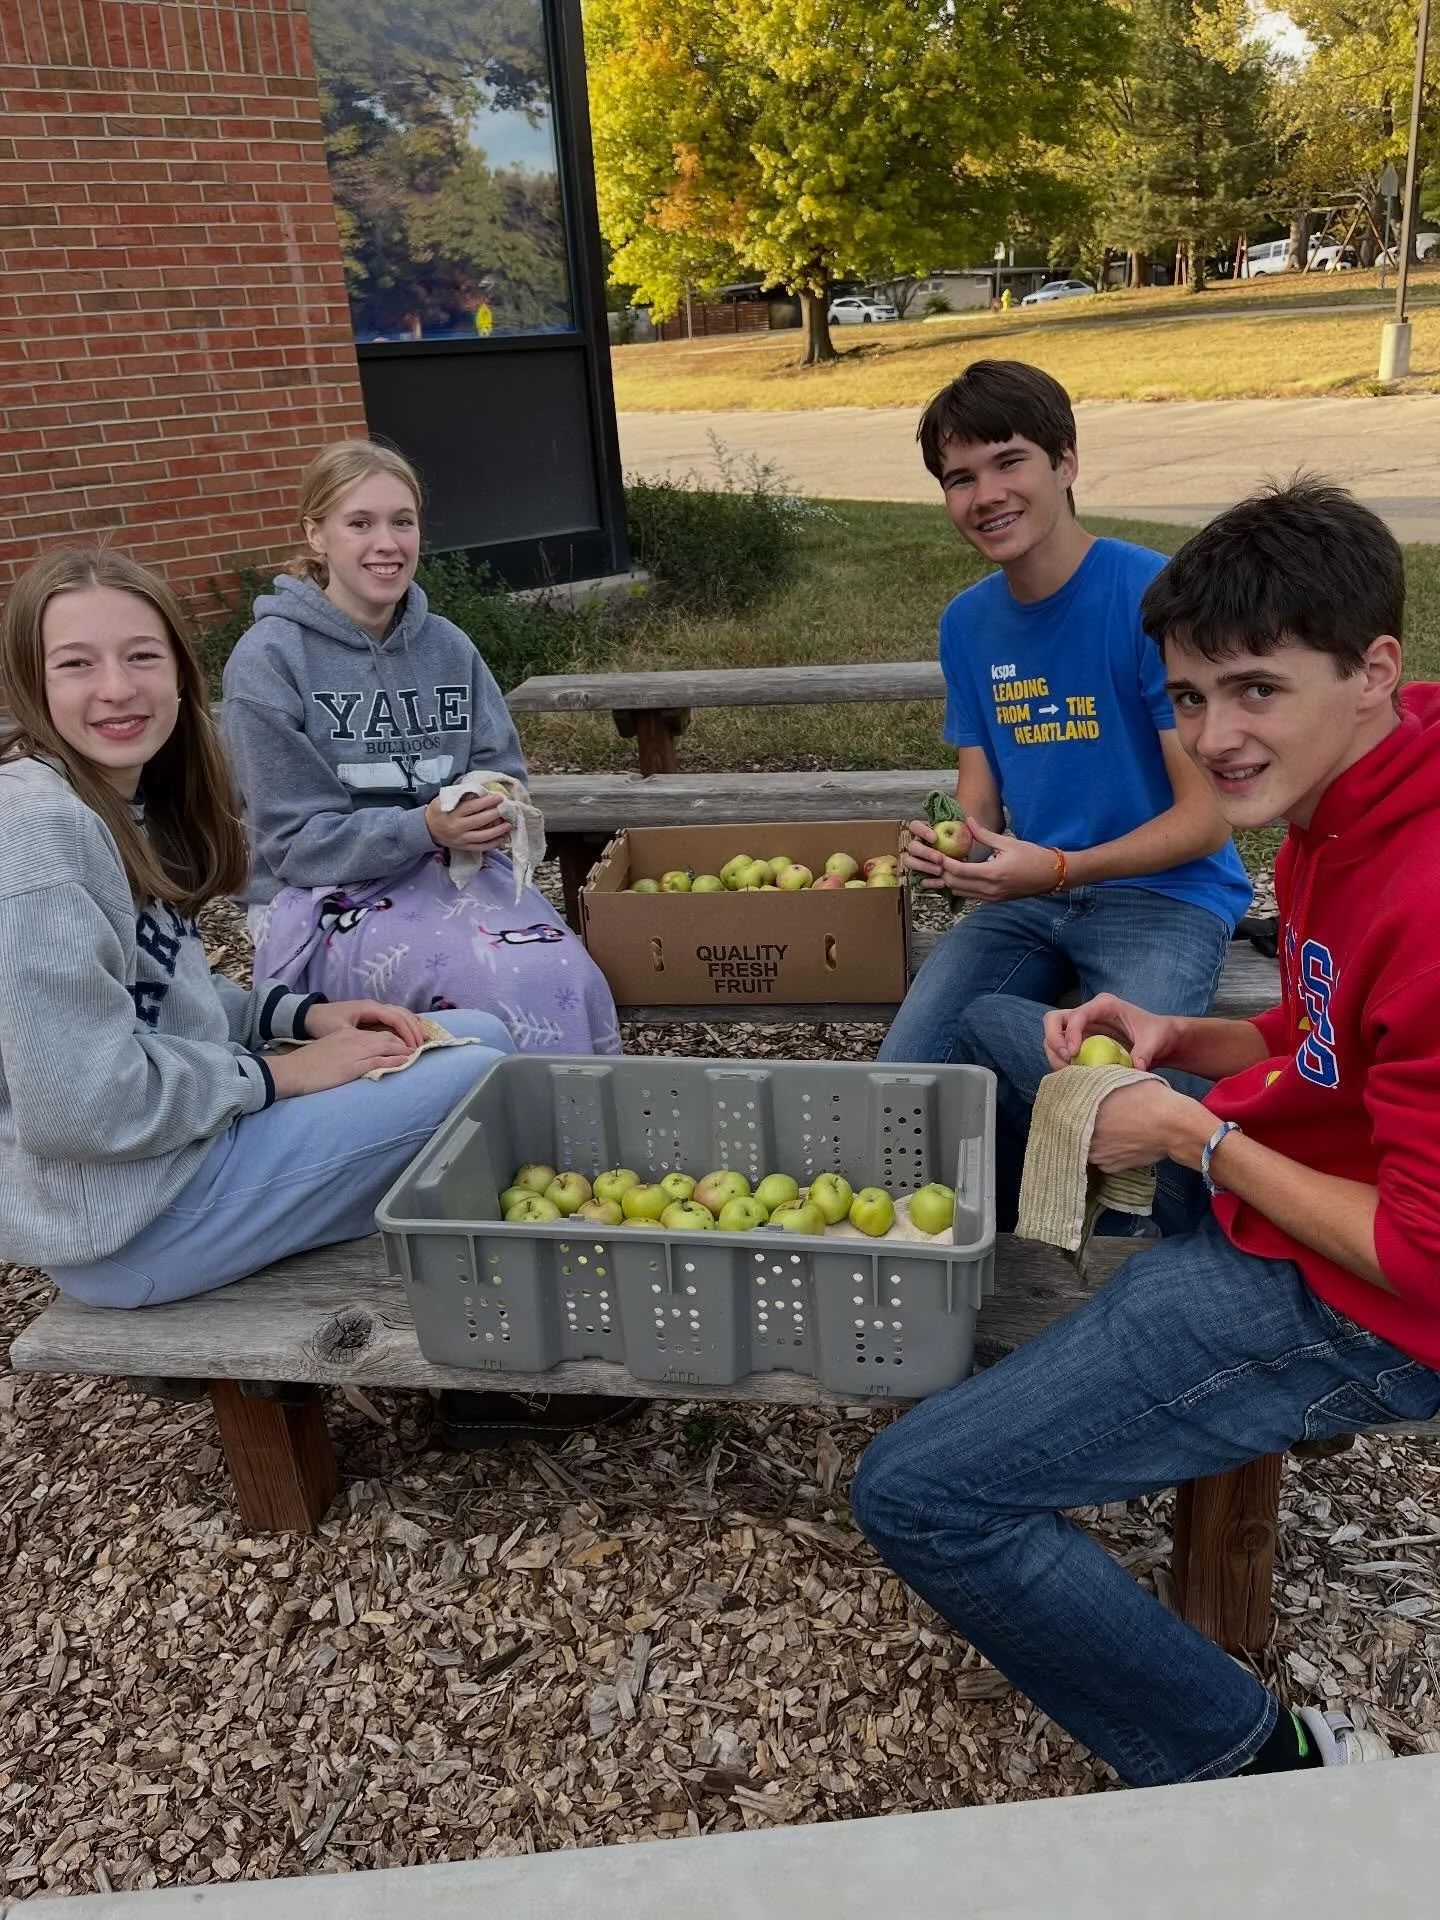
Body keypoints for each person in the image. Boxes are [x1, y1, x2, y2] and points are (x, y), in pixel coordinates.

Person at [852, 480, 1440, 1784]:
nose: (1216, 734)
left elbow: (1423, 1255)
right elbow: (1329, 1038)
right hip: (1293, 1184)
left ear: (1372, 668)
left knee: (918, 1495)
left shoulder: (1424, 879)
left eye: (1254, 691)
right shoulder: (1342, 807)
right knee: (1008, 1026)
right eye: (1186, 699)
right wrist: (1186, 1043)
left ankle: (1258, 1764)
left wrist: (1190, 1141)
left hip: (1358, 1306)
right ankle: (1090, 1239)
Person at [0, 547, 515, 1308]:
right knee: (481, 1072)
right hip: (137, 1221)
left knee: (470, 1035)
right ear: (29, 683)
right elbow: (80, 1108)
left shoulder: (124, 800)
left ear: (180, 672)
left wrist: (300, 1016)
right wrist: (282, 1074)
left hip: (177, 1162)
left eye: (142, 656)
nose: (117, 689)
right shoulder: (34, 827)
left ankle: (462, 1295)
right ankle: (484, 1329)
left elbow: (155, 987)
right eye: (76, 664)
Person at [878, 362, 1251, 1123]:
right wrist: (951, 852)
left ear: (1067, 462)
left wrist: (1056, 867)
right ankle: (977, 1229)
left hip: (1165, 897)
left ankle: (1143, 1228)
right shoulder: (967, 624)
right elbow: (977, 799)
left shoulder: (1154, 597)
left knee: (1124, 1103)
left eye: (1009, 461)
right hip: (1035, 900)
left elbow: (1207, 819)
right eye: (959, 478)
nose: (986, 495)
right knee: (902, 1089)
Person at [221, 440, 620, 1056]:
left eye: (402, 522)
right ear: (316, 534)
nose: (387, 543)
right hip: (322, 897)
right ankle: (477, 1141)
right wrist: (427, 828)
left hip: (453, 875)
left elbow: (500, 767)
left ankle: (573, 1144)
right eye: (360, 523)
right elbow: (295, 847)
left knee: (570, 975)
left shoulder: (448, 646)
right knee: (493, 986)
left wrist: (492, 805)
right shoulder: (271, 660)